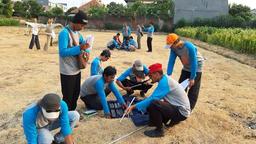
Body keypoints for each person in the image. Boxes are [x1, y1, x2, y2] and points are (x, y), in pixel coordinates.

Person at [125, 63, 191, 138]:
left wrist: (134, 106)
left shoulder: (164, 82)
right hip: (177, 108)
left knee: (154, 103)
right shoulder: (164, 79)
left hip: (181, 112)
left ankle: (159, 131)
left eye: (151, 76)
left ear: (156, 74)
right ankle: (163, 121)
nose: (150, 78)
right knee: (153, 104)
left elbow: (153, 99)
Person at [58, 10, 90, 111]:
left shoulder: (77, 33)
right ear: (75, 22)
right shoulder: (64, 33)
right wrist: (79, 48)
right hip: (67, 72)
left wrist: (87, 48)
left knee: (75, 95)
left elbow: (83, 44)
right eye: (82, 25)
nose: (82, 28)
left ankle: (72, 115)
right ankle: (65, 118)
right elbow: (62, 52)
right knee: (67, 98)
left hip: (76, 70)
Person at [165, 33, 204, 110]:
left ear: (175, 43)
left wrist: (192, 78)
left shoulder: (189, 46)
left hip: (197, 66)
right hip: (186, 66)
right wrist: (168, 75)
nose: (170, 48)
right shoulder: (174, 49)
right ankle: (180, 104)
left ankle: (189, 109)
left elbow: (194, 62)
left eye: (170, 45)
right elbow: (171, 61)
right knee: (181, 86)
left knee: (193, 89)